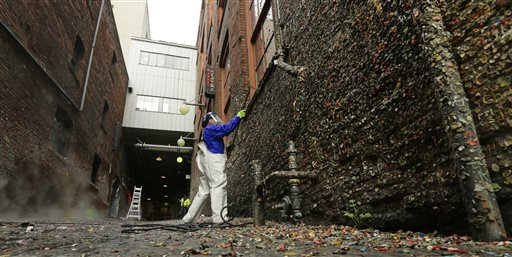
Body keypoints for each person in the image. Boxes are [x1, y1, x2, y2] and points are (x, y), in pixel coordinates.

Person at [182, 109, 246, 224]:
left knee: (204, 191)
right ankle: (218, 218)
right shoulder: (210, 128)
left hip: (209, 161)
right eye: (213, 118)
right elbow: (226, 129)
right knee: (218, 185)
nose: (216, 120)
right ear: (209, 121)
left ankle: (188, 218)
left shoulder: (208, 131)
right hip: (214, 161)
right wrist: (238, 117)